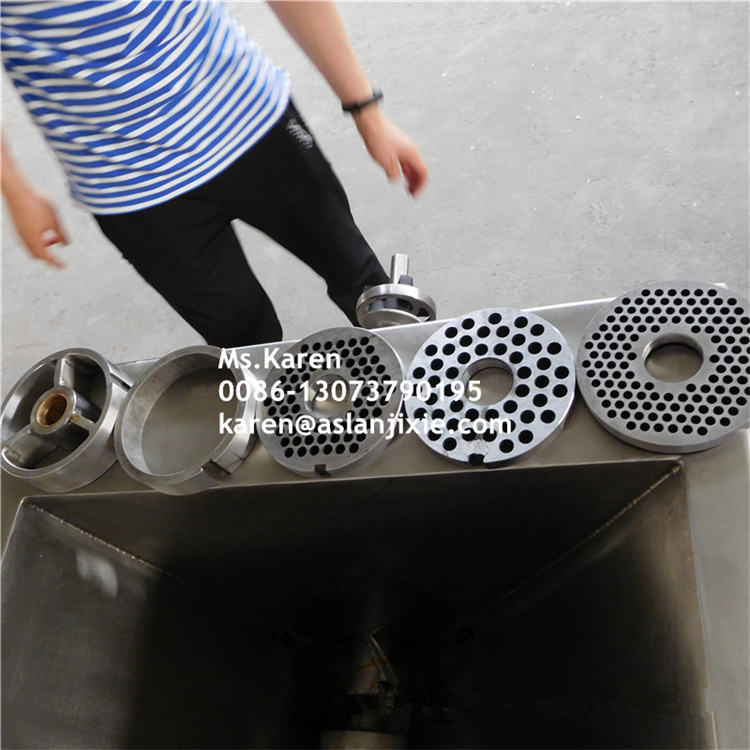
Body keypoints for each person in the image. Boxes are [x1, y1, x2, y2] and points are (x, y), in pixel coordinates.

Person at [0, 0, 429, 347]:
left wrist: (365, 109)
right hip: (127, 185)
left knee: (365, 285)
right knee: (242, 339)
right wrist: (15, 189)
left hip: (253, 122)